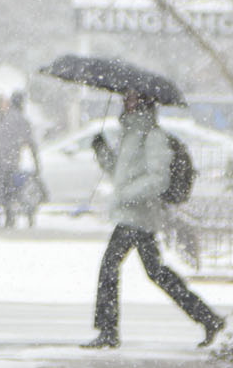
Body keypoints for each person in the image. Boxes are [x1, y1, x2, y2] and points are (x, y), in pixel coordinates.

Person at [85, 91, 223, 349]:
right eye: (125, 97)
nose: (126, 101)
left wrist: (128, 195)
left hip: (139, 216)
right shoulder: (131, 134)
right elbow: (119, 173)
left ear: (144, 102)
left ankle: (108, 330)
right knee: (156, 272)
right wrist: (101, 150)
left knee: (110, 266)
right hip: (132, 215)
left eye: (132, 97)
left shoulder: (153, 136)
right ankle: (208, 317)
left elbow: (159, 180)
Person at [0, 89, 45, 229]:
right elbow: (31, 144)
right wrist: (37, 164)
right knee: (8, 190)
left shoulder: (0, 116)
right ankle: (9, 218)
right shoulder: (22, 121)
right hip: (7, 161)